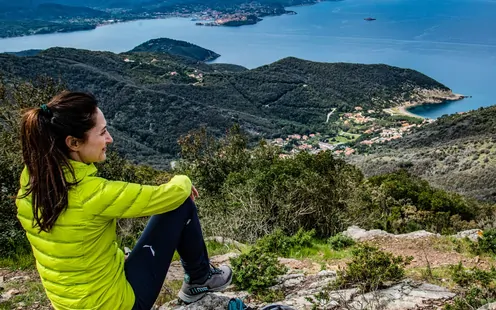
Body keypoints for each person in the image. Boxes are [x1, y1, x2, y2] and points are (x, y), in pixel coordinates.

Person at [16, 91, 232, 310]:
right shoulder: (92, 194)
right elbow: (169, 195)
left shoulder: (32, 183)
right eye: (102, 132)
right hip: (117, 304)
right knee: (180, 204)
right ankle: (200, 279)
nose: (109, 139)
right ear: (73, 142)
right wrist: (182, 179)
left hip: (70, 302)